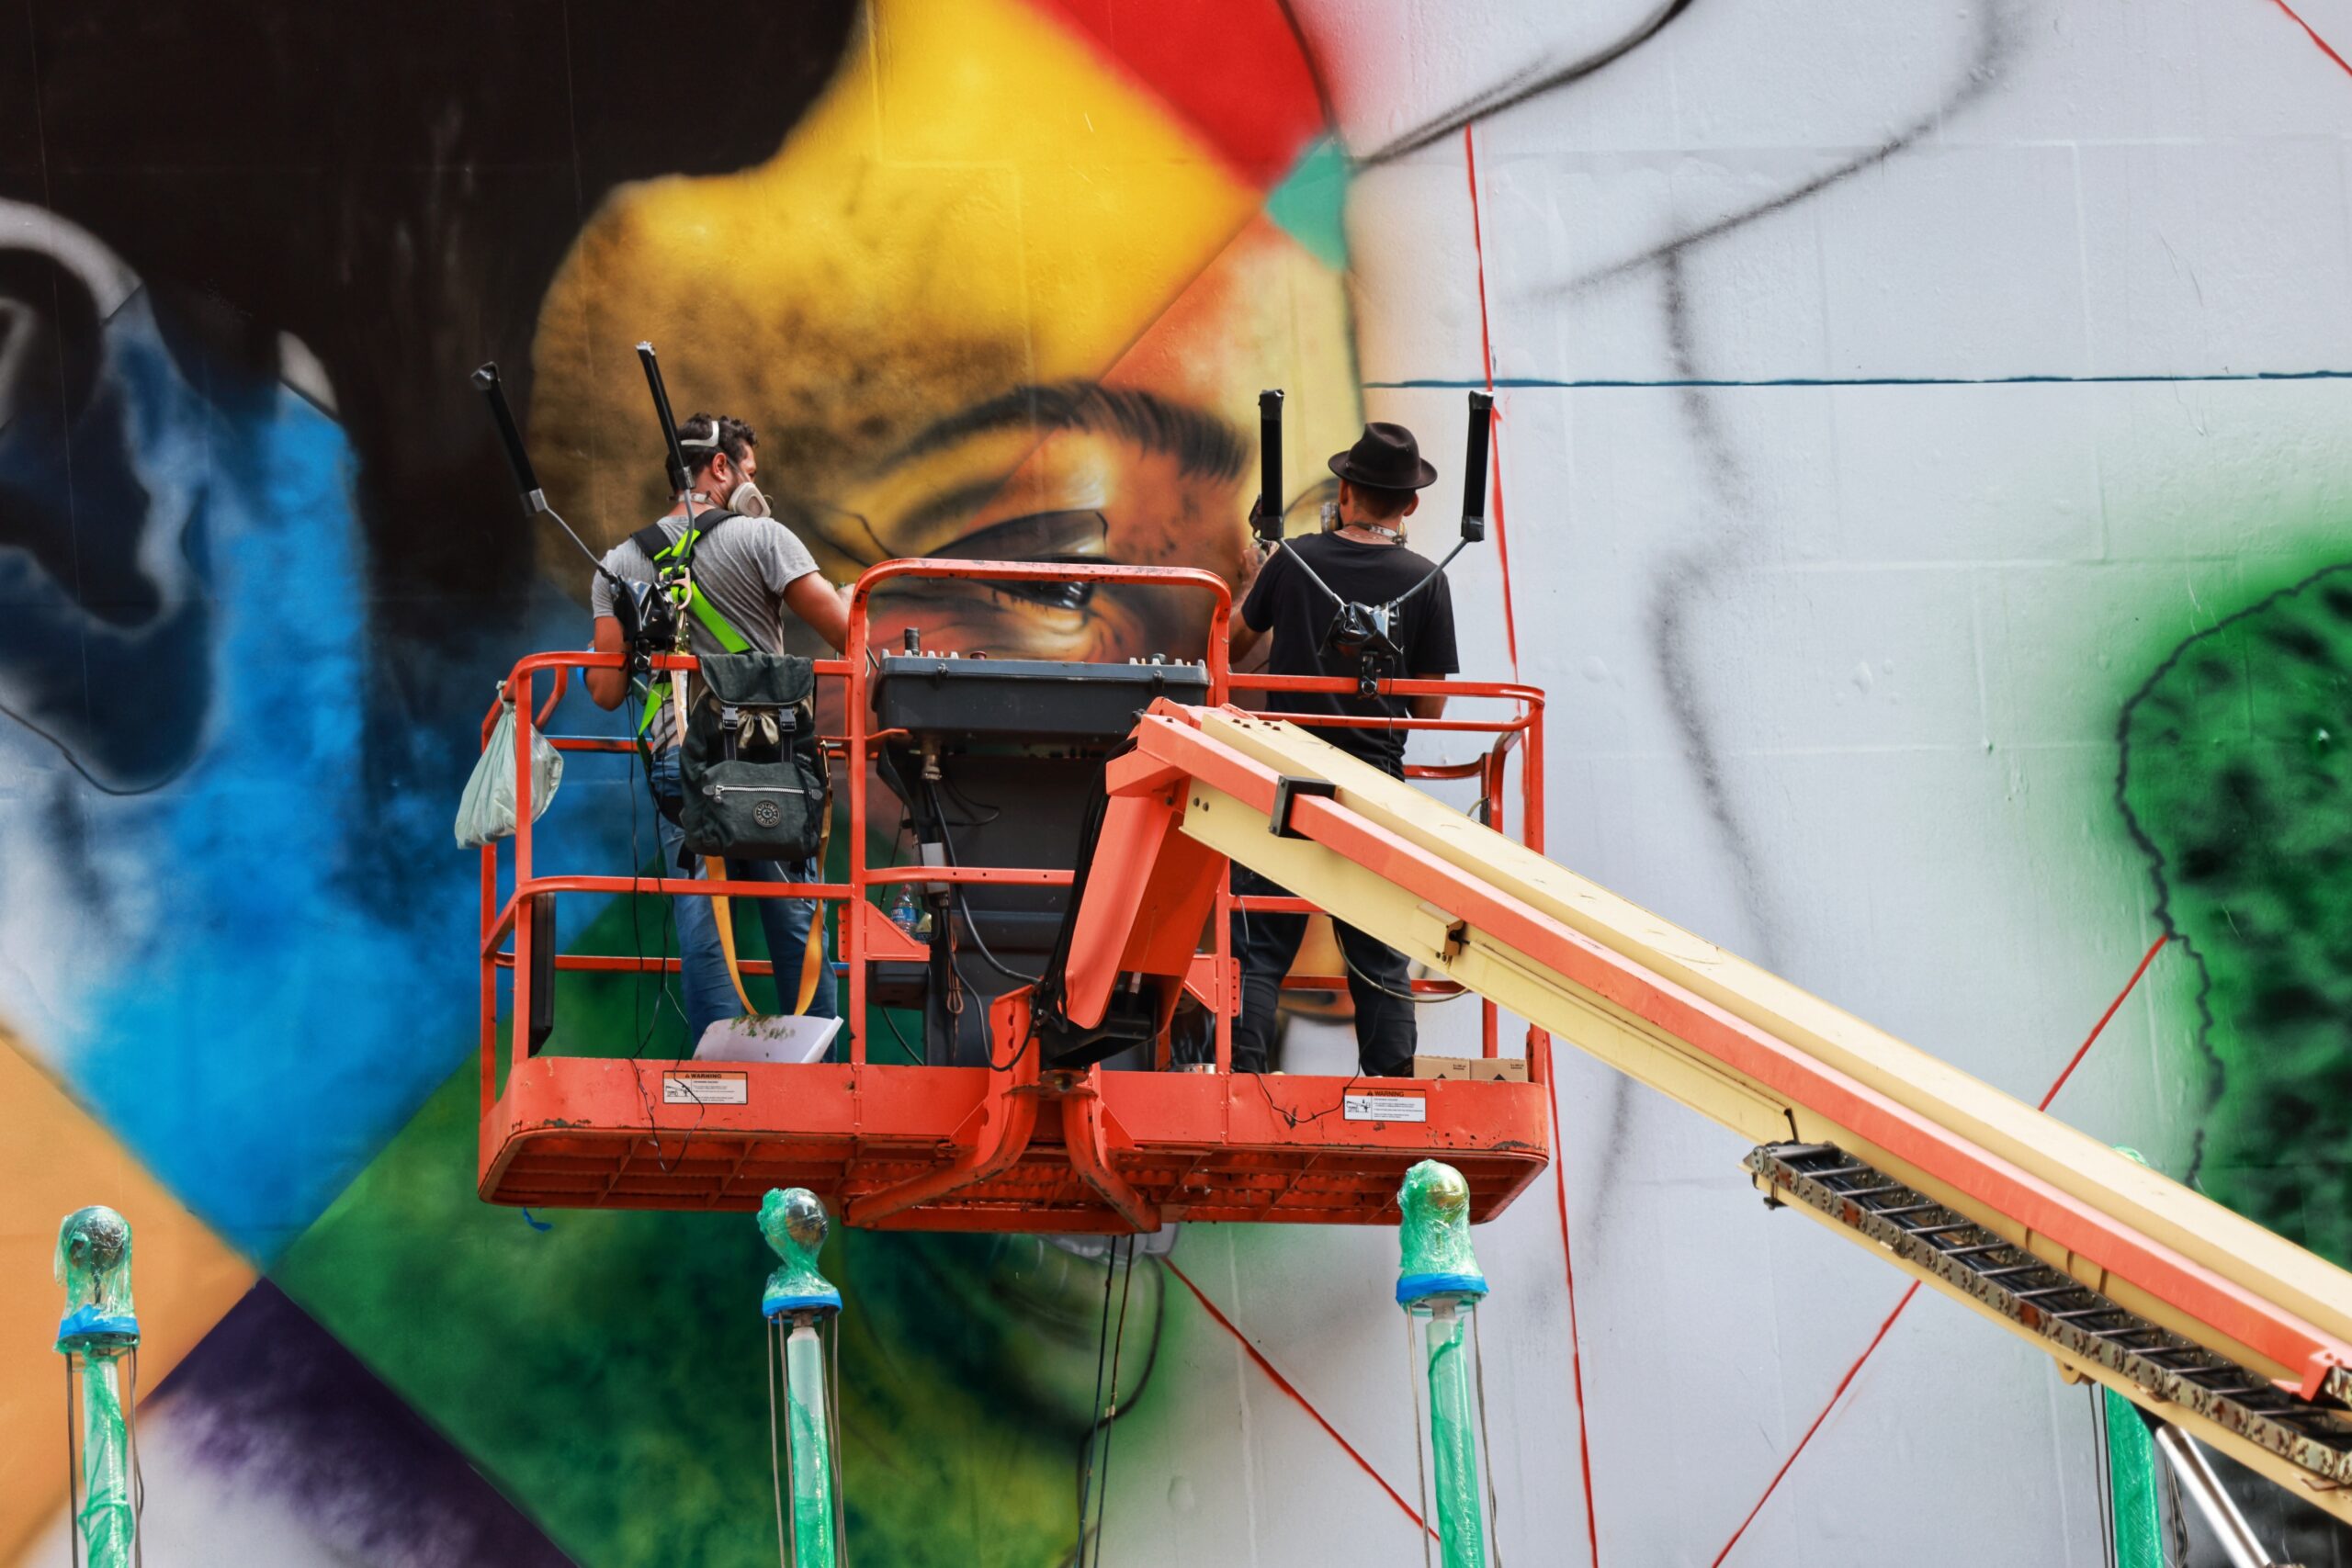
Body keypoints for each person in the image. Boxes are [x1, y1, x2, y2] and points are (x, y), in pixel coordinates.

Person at [585, 412, 852, 1044]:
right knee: (793, 914)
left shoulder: (620, 561)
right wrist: (847, 594)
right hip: (767, 761)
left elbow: (604, 690)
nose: (756, 484)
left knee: (703, 919)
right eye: (749, 470)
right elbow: (845, 628)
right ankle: (818, 1062)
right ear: (721, 468)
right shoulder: (764, 538)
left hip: (682, 762)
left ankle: (721, 1069)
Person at [1225, 422, 1460, 1077]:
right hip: (1374, 788)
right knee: (1380, 951)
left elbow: (1231, 650)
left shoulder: (1293, 561)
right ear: (1410, 504)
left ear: (1345, 490)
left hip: (1290, 778)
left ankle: (1243, 1077)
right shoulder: (1426, 581)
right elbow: (1431, 707)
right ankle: (1392, 1090)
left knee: (1260, 943)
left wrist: (1254, 583)